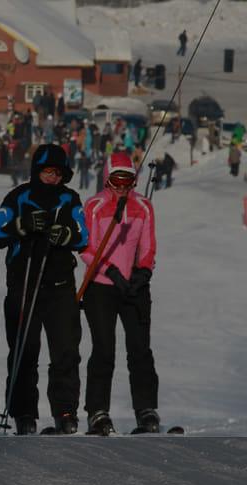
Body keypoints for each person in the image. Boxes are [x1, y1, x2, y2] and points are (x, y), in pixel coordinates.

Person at [0, 143, 88, 436]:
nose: (53, 178)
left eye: (58, 173)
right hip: (24, 284)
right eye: (47, 172)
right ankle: (24, 413)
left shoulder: (69, 199)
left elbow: (83, 236)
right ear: (36, 171)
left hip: (60, 285)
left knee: (66, 350)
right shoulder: (19, 196)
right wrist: (22, 225)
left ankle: (65, 411)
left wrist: (66, 234)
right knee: (24, 350)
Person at [79, 152, 162, 435]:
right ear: (107, 179)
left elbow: (148, 246)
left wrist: (143, 272)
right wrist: (111, 271)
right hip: (101, 286)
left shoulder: (144, 207)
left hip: (134, 288)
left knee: (140, 349)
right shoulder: (95, 206)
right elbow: (86, 248)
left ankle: (146, 409)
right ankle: (97, 411)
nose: (123, 187)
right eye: (117, 181)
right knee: (104, 349)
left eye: (128, 181)